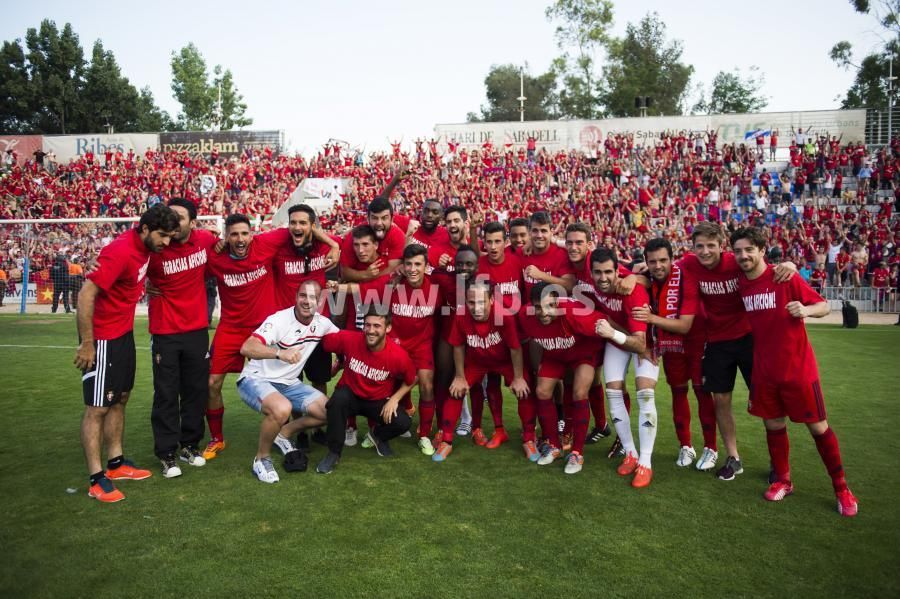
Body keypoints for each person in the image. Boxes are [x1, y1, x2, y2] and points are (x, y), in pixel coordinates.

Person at [731, 227, 858, 517]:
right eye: (738, 250)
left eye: (749, 249)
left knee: (818, 427)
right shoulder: (740, 282)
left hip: (798, 369)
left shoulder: (784, 276)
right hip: (764, 370)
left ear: (762, 250)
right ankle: (783, 480)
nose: (743, 255)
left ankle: (841, 488)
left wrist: (806, 310)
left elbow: (823, 306)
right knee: (773, 425)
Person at [73, 204, 180, 503]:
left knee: (120, 399)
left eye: (171, 236)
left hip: (123, 335)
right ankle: (96, 479)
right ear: (144, 229)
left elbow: (126, 280)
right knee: (97, 408)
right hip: (103, 338)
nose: (166, 243)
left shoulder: (146, 249)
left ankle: (116, 464)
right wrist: (87, 343)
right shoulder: (119, 250)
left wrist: (147, 287)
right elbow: (86, 293)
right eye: (162, 235)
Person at [202, 214, 289, 461]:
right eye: (234, 234)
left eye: (244, 233)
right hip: (230, 327)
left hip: (265, 328)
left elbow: (301, 226)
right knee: (212, 383)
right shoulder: (214, 256)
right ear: (226, 236)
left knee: (281, 381)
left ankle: (283, 433)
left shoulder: (268, 243)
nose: (240, 239)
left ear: (252, 234)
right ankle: (217, 438)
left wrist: (334, 244)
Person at [237, 280, 338, 483]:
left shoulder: (322, 323)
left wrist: (342, 362)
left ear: (320, 302)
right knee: (283, 409)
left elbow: (346, 341)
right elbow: (247, 347)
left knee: (331, 411)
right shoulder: (279, 320)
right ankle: (261, 459)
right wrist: (279, 353)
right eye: (303, 295)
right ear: (296, 297)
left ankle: (283, 434)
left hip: (288, 383)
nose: (307, 301)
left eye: (312, 297)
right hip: (255, 379)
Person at [146, 198, 217, 478]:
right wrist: (145, 286)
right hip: (165, 331)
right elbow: (130, 271)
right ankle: (166, 454)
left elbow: (222, 254)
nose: (173, 223)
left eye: (180, 218)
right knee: (165, 394)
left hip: (197, 329)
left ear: (193, 223)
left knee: (195, 391)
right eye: (169, 217)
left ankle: (189, 446)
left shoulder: (207, 241)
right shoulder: (155, 247)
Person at [633, 238, 717, 470]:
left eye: (663, 260)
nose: (658, 266)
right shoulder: (647, 276)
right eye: (652, 261)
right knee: (678, 392)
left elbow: (684, 326)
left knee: (702, 393)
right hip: (670, 345)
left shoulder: (686, 273)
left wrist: (650, 319)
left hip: (697, 341)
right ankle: (686, 446)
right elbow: (621, 273)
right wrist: (633, 275)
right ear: (646, 262)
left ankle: (711, 448)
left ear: (672, 259)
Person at [519, 282, 619, 474]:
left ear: (558, 303)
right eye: (538, 307)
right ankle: (554, 445)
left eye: (549, 306)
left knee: (580, 391)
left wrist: (637, 340)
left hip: (583, 353)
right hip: (555, 354)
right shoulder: (525, 316)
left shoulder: (574, 313)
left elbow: (606, 322)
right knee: (541, 390)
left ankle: (577, 452)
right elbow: (519, 338)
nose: (543, 312)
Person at [441, 279, 539, 462]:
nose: (476, 308)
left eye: (481, 302)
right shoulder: (461, 315)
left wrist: (518, 377)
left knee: (525, 390)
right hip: (477, 361)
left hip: (504, 361)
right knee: (456, 390)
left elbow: (515, 348)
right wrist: (460, 376)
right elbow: (458, 346)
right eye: (471, 302)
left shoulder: (504, 316)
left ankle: (529, 438)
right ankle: (446, 441)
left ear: (492, 299)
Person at [315, 308, 418, 474]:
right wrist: (338, 362)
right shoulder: (350, 338)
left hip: (377, 401)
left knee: (403, 422)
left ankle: (377, 435)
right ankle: (334, 453)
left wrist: (395, 399)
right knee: (338, 400)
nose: (371, 330)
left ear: (388, 328)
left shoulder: (398, 355)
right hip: (350, 395)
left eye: (377, 326)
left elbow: (412, 379)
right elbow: (324, 341)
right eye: (367, 325)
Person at [590, 248, 658, 488]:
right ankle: (630, 453)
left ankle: (646, 463)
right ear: (591, 273)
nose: (603, 277)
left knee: (645, 392)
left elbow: (639, 342)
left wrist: (611, 331)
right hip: (617, 339)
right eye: (597, 273)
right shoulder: (592, 282)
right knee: (613, 391)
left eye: (608, 272)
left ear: (618, 271)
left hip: (644, 342)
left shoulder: (633, 291)